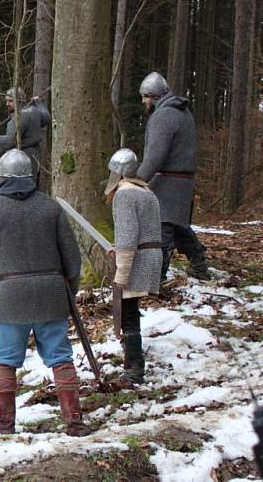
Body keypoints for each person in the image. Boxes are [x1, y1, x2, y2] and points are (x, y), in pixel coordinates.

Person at [0, 149, 89, 437]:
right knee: (60, 357)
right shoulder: (50, 208)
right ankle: (73, 421)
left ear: (1, 178)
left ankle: (4, 425)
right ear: (32, 176)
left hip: (11, 297)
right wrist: (70, 291)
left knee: (5, 360)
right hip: (51, 295)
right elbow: (72, 260)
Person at [136, 71, 209, 281]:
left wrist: (137, 180)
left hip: (168, 182)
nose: (143, 101)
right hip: (181, 182)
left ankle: (157, 278)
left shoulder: (164, 115)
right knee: (179, 227)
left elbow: (155, 155)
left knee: (163, 229)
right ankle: (199, 265)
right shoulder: (182, 112)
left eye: (146, 96)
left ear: (155, 96)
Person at [105, 148, 163, 386]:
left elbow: (130, 238)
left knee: (127, 313)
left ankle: (134, 370)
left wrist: (122, 271)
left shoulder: (125, 194)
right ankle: (132, 362)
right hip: (150, 255)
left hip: (138, 258)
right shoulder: (145, 191)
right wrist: (118, 246)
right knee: (131, 310)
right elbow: (137, 232)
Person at [0, 87, 51, 177]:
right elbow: (46, 117)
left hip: (22, 159)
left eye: (10, 101)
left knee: (23, 187)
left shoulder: (19, 118)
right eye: (7, 101)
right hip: (35, 155)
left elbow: (10, 141)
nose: (7, 104)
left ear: (19, 101)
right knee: (31, 185)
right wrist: (38, 103)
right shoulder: (34, 110)